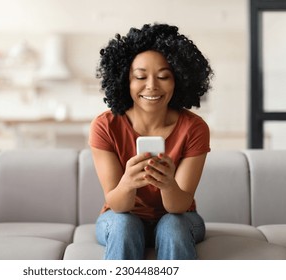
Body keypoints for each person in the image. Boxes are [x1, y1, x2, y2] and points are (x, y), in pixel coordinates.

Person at [88, 23, 213, 260]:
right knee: (125, 226)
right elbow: (116, 204)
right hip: (120, 216)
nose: (152, 86)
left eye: (164, 76)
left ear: (178, 80)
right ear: (126, 80)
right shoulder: (105, 126)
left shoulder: (194, 128)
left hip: (178, 216)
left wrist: (168, 185)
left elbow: (179, 206)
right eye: (140, 77)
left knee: (173, 227)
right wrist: (127, 183)